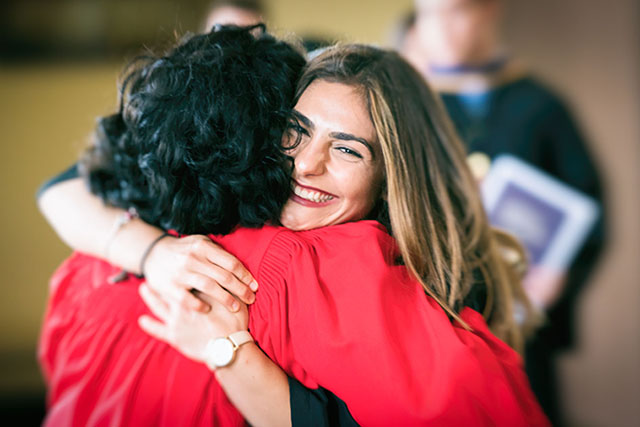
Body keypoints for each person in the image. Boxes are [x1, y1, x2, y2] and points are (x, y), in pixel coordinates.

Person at [38, 28, 548, 426]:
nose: (305, 165)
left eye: (347, 149)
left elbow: (61, 187)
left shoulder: (86, 265)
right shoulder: (299, 265)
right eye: (293, 132)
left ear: (394, 177)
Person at [410, 1, 607, 424]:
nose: (444, 30)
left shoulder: (540, 105)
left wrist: (558, 274)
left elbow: (588, 204)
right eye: (433, 14)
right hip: (432, 311)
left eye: (459, 13)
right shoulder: (404, 101)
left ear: (490, 11)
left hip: (521, 312)